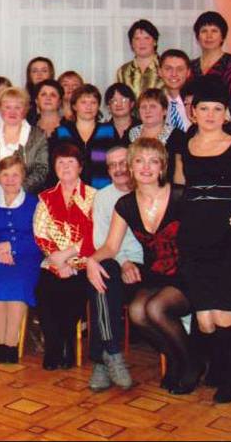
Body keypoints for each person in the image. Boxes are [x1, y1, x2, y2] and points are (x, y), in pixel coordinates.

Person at [174, 77, 231, 404]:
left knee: (224, 313)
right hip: (194, 240)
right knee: (204, 318)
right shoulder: (185, 146)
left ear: (226, 112)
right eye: (204, 109)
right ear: (193, 112)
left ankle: (230, 376)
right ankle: (221, 365)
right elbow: (181, 191)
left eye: (217, 109)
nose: (211, 115)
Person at [83, 139, 197, 394]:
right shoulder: (125, 204)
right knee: (137, 312)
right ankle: (175, 358)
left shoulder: (181, 196)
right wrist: (92, 260)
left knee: (155, 308)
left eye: (153, 161)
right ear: (131, 167)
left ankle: (190, 363)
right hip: (156, 274)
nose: (146, 167)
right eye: (139, 161)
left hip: (188, 274)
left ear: (162, 167)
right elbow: (110, 246)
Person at [83, 146, 143, 388]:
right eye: (112, 165)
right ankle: (113, 353)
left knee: (104, 283)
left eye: (123, 163)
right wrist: (124, 262)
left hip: (145, 262)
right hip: (117, 259)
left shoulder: (146, 190)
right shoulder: (103, 197)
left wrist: (131, 262)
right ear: (107, 170)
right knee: (101, 275)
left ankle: (101, 360)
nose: (119, 169)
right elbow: (102, 242)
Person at [33, 143, 95, 371]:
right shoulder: (46, 198)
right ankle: (53, 346)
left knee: (73, 292)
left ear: (80, 167)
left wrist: (68, 257)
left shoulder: (93, 197)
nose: (66, 166)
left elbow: (96, 233)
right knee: (43, 291)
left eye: (71, 162)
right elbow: (40, 233)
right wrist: (57, 262)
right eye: (60, 162)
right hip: (52, 261)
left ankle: (68, 343)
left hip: (84, 261)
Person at [0, 155, 41, 363]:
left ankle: (11, 343)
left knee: (18, 285)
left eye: (15, 175)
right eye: (5, 175)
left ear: (23, 177)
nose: (10, 179)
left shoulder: (35, 203)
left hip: (26, 256)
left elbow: (40, 237)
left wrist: (13, 247)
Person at [0, 87, 49, 195]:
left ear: (25, 110)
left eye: (17, 107)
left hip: (25, 194)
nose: (12, 112)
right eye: (7, 107)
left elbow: (41, 170)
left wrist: (18, 188)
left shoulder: (38, 135)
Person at [51, 84, 118, 190]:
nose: (89, 107)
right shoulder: (61, 132)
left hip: (102, 191)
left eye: (93, 102)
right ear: (74, 106)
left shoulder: (108, 131)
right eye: (83, 102)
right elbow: (54, 165)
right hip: (69, 190)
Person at [189, 11, 231, 106]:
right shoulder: (190, 66)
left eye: (214, 31)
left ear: (223, 37)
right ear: (197, 37)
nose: (209, 36)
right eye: (204, 31)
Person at [129, 88, 186, 183]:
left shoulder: (177, 136)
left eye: (153, 106)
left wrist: (177, 191)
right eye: (143, 107)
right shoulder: (131, 133)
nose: (147, 111)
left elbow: (179, 172)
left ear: (164, 111)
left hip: (167, 188)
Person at [115, 19, 162, 96]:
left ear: (155, 42)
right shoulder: (123, 71)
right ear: (131, 44)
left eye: (146, 38)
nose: (142, 42)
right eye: (137, 38)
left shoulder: (165, 68)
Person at [159, 49, 193, 133]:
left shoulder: (197, 102)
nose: (174, 74)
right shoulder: (157, 102)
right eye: (168, 69)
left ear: (188, 72)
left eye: (180, 69)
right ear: (160, 72)